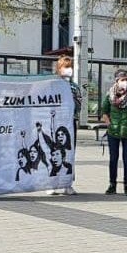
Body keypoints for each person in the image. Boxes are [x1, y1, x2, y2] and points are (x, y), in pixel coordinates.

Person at [98, 69, 127, 196]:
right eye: (122, 80)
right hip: (113, 131)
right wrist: (107, 121)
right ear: (117, 81)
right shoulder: (109, 94)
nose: (125, 82)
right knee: (113, 159)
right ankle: (112, 185)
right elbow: (104, 110)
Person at [49, 55, 80, 196]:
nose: (68, 70)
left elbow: (79, 106)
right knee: (54, 153)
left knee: (69, 154)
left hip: (70, 124)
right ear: (59, 69)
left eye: (70, 67)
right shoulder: (52, 85)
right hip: (56, 123)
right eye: (65, 67)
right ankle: (52, 184)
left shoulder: (74, 87)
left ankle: (68, 184)